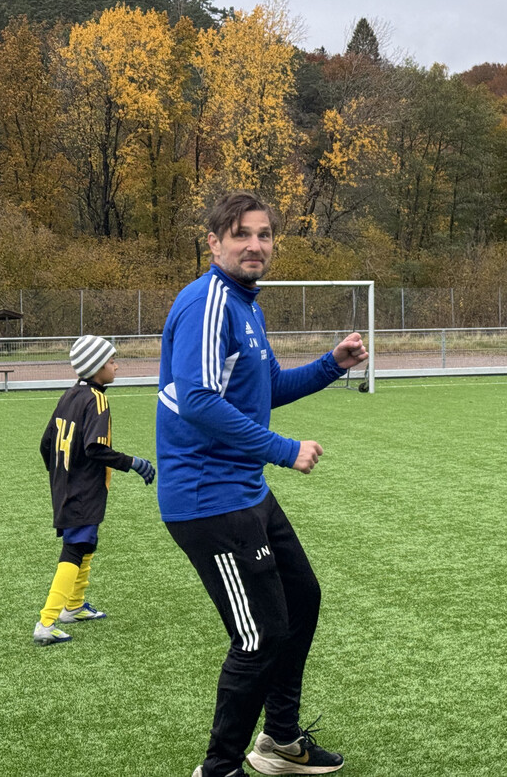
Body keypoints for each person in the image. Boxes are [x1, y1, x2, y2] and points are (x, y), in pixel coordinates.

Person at [156, 191, 368, 777]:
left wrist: (331, 365)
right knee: (259, 636)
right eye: (241, 234)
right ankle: (219, 767)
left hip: (246, 490)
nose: (255, 245)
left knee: (301, 600)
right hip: (208, 498)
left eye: (264, 234)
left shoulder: (247, 306)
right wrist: (282, 449)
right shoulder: (207, 302)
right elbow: (198, 400)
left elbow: (265, 388)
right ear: (214, 242)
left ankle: (278, 741)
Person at [35, 335, 155, 646]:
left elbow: (46, 444)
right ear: (96, 367)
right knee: (75, 547)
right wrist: (133, 463)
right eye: (112, 361)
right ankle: (47, 622)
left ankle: (73, 607)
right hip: (83, 489)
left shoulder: (69, 394)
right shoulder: (96, 400)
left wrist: (61, 476)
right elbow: (95, 448)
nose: (117, 366)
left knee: (87, 542)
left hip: (67, 486)